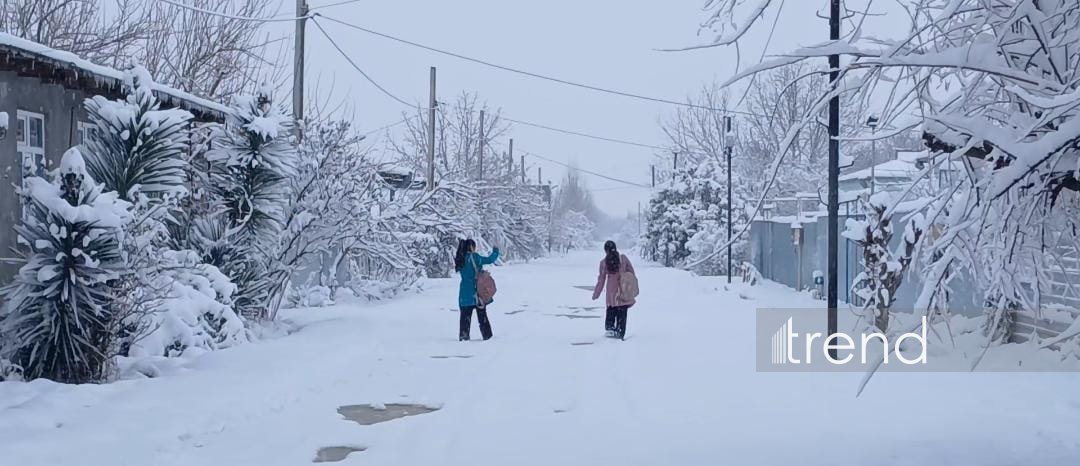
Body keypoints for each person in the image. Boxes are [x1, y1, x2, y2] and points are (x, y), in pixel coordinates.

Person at [454, 239, 500, 341]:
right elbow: (490, 259)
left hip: (464, 294)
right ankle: (487, 336)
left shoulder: (460, 259)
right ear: (471, 247)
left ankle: (464, 338)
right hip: (477, 294)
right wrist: (496, 250)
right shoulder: (475, 258)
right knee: (482, 317)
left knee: (465, 319)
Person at [592, 240, 635, 340]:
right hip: (623, 294)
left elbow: (601, 280)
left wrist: (596, 294)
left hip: (611, 297)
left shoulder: (604, 263)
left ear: (606, 251)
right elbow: (632, 273)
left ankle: (610, 334)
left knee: (611, 314)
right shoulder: (623, 259)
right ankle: (620, 335)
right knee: (622, 316)